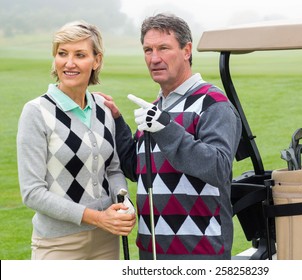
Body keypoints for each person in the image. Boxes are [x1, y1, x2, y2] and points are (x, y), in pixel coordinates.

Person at [103, 13, 242, 260]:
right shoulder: (156, 106)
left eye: (164, 48)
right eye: (148, 50)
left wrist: (165, 127)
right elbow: (138, 169)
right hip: (153, 250)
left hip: (200, 252)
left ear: (187, 50)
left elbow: (218, 168)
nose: (154, 58)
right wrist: (116, 121)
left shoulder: (213, 103)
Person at [16, 20, 136, 260]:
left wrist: (124, 201)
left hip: (106, 239)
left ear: (97, 60)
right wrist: (99, 217)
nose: (69, 63)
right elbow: (32, 192)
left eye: (80, 55)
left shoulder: (103, 108)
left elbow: (112, 170)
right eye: (62, 54)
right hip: (57, 244)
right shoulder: (36, 111)